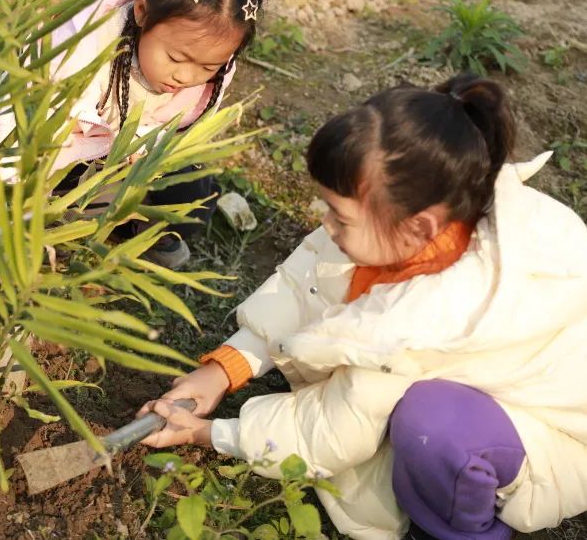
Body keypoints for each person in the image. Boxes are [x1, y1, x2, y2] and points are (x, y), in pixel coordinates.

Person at [138, 74, 587, 540]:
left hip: (551, 435)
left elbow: (335, 427)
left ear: (418, 228)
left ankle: (460, 530)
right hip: (482, 384)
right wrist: (223, 371)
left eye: (340, 215)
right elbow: (304, 286)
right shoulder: (420, 214)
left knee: (432, 424)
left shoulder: (429, 318)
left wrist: (210, 434)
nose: (325, 224)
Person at [0, 0, 264, 268]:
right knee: (32, 190)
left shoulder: (212, 64)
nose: (186, 76)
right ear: (141, 12)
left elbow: (180, 132)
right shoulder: (85, 41)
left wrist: (145, 141)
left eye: (207, 67)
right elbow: (16, 131)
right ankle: (45, 221)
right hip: (55, 149)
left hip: (119, 153)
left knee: (195, 200)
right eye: (175, 58)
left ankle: (133, 226)